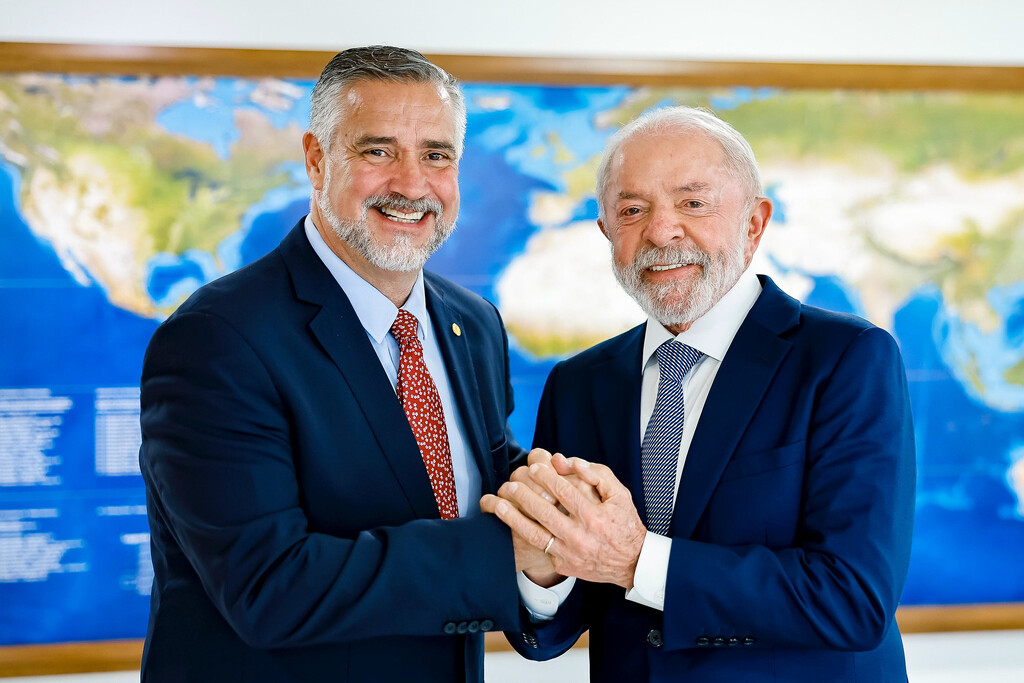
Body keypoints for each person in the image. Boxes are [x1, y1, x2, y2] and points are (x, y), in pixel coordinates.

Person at [138, 46, 533, 683]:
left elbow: (465, 482)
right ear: (317, 160)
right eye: (378, 151)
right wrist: (512, 553)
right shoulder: (218, 339)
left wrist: (559, 507)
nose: (411, 184)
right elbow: (269, 588)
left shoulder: (473, 323)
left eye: (436, 155)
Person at [482, 106, 917, 682]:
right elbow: (551, 634)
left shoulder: (846, 358)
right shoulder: (580, 383)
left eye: (693, 203)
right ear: (608, 232)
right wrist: (543, 572)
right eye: (633, 210)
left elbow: (852, 601)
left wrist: (637, 560)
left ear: (754, 223)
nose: (661, 231)